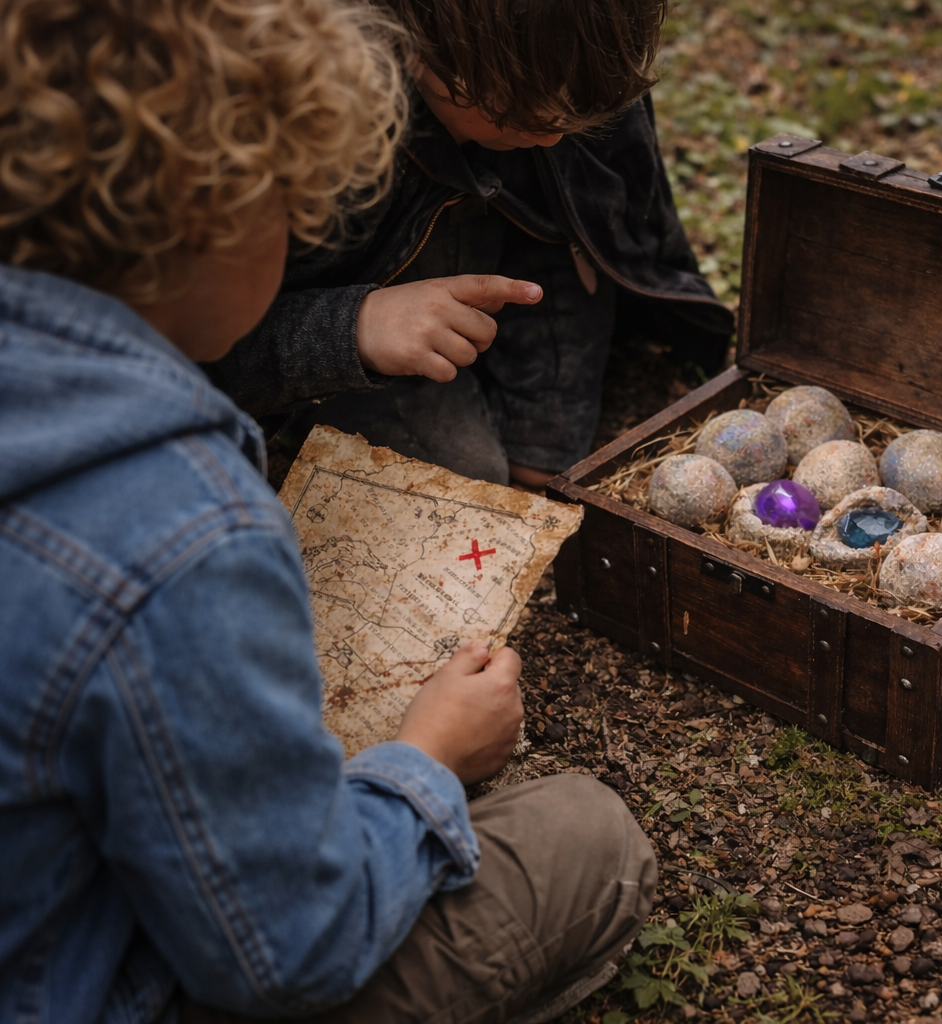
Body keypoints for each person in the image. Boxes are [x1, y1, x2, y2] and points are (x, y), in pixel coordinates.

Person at [0, 0, 654, 1021]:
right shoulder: (191, 533)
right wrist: (426, 759)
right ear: (219, 218)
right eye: (294, 205)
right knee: (590, 840)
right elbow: (283, 945)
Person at [205, 0, 733, 490]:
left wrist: (541, 439)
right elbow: (195, 353)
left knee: (506, 470)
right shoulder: (300, 127)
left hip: (453, 309)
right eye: (517, 111)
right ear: (417, 43)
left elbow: (561, 251)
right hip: (326, 333)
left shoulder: (573, 50)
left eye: (572, 119)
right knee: (459, 482)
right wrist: (354, 329)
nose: (553, 136)